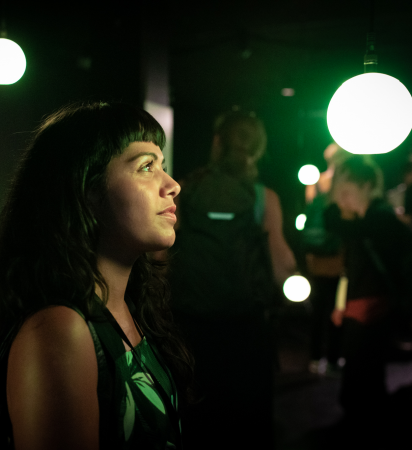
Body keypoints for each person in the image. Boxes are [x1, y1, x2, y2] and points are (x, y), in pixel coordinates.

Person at [0, 102, 195, 449]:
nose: (172, 184)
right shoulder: (60, 330)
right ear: (88, 190)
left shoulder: (127, 308)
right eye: (146, 166)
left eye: (163, 165)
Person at [168, 110, 296, 449]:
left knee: (197, 419)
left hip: (190, 327)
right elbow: (281, 263)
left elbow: (159, 256)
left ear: (216, 142)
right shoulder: (262, 198)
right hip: (246, 330)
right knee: (245, 422)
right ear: (257, 149)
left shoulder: (186, 190)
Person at [325, 155, 412, 441]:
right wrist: (341, 305)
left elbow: (339, 226)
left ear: (364, 186)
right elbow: (351, 269)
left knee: (365, 376)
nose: (341, 200)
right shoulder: (370, 219)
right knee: (364, 376)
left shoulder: (380, 219)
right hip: (361, 307)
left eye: (345, 192)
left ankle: (366, 426)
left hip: (375, 308)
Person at [302, 142, 349, 375]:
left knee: (318, 309)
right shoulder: (344, 183)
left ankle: (314, 358)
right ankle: (333, 357)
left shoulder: (315, 182)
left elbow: (310, 210)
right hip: (338, 252)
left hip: (317, 253)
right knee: (337, 307)